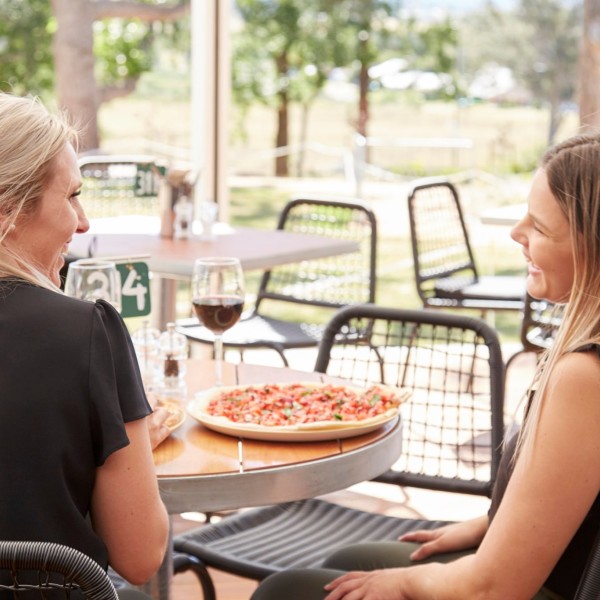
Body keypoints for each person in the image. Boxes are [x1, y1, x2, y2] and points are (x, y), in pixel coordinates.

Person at [250, 133, 600, 600]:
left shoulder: (584, 377)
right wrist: (493, 524)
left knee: (286, 590)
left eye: (538, 226)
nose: (517, 233)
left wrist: (409, 582)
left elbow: (494, 588)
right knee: (346, 565)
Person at [0, 92, 171, 596]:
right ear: (8, 211)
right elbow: (140, 556)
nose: (83, 221)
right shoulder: (86, 332)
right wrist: (124, 441)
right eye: (72, 195)